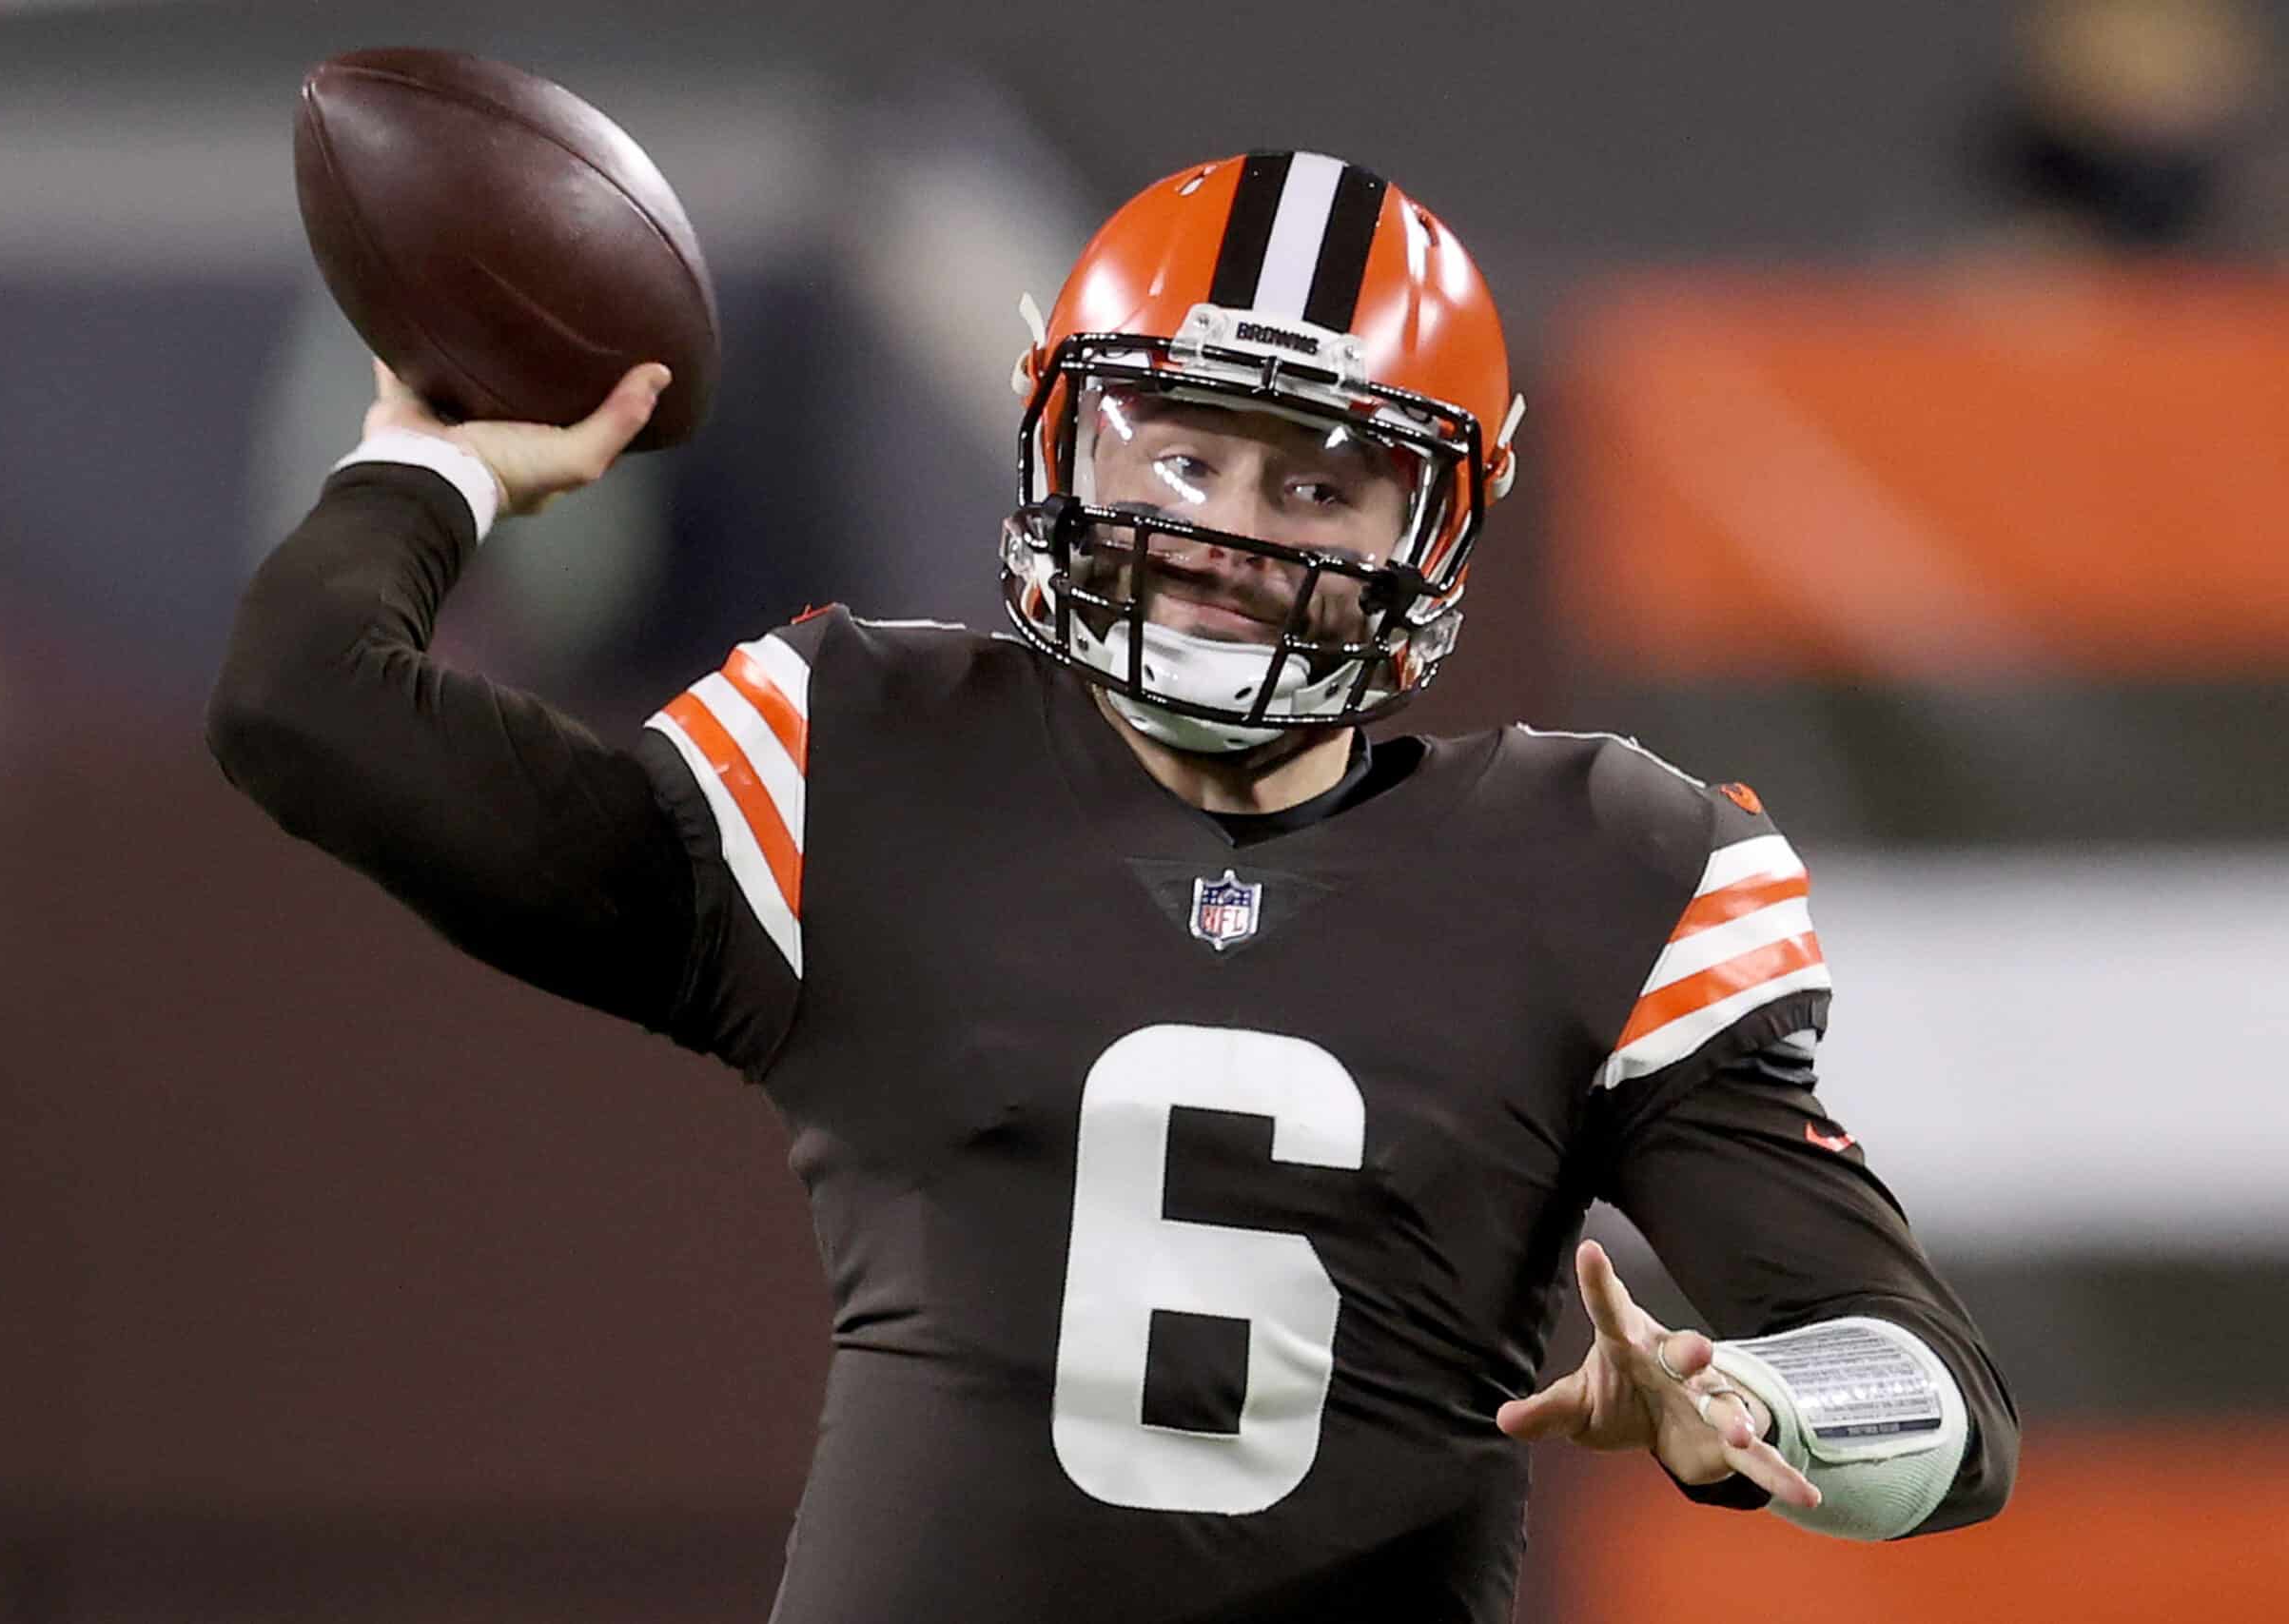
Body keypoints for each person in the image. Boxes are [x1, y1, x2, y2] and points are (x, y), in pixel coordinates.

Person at [208, 150, 2017, 1622]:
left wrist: (1753, 1406)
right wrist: (430, 460)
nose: (1230, 534)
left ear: (1441, 522)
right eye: (1185, 454)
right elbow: (312, 716)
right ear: (1061, 435)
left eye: (1319, 483)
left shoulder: (1605, 868)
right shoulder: (869, 756)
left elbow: (1945, 1409)